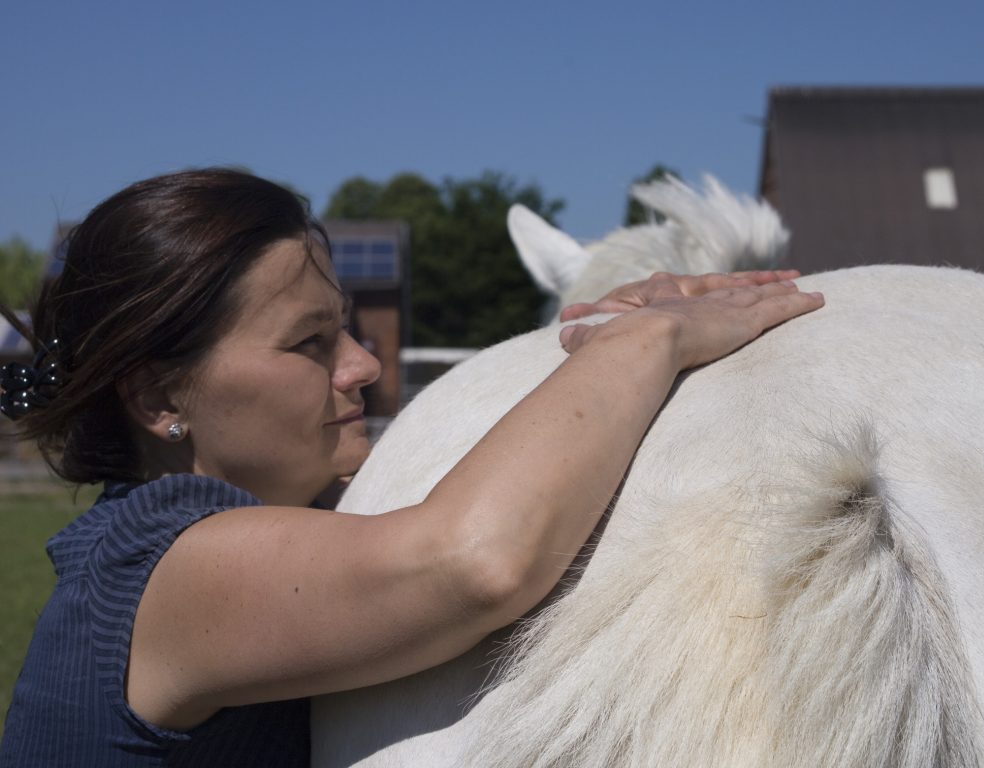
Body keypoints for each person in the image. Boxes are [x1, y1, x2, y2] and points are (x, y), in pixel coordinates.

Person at [0, 168, 823, 765]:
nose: (361, 365)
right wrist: (653, 339)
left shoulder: (251, 530)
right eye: (308, 344)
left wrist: (604, 323)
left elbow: (508, 478)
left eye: (346, 329)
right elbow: (471, 560)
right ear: (156, 398)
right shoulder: (156, 569)